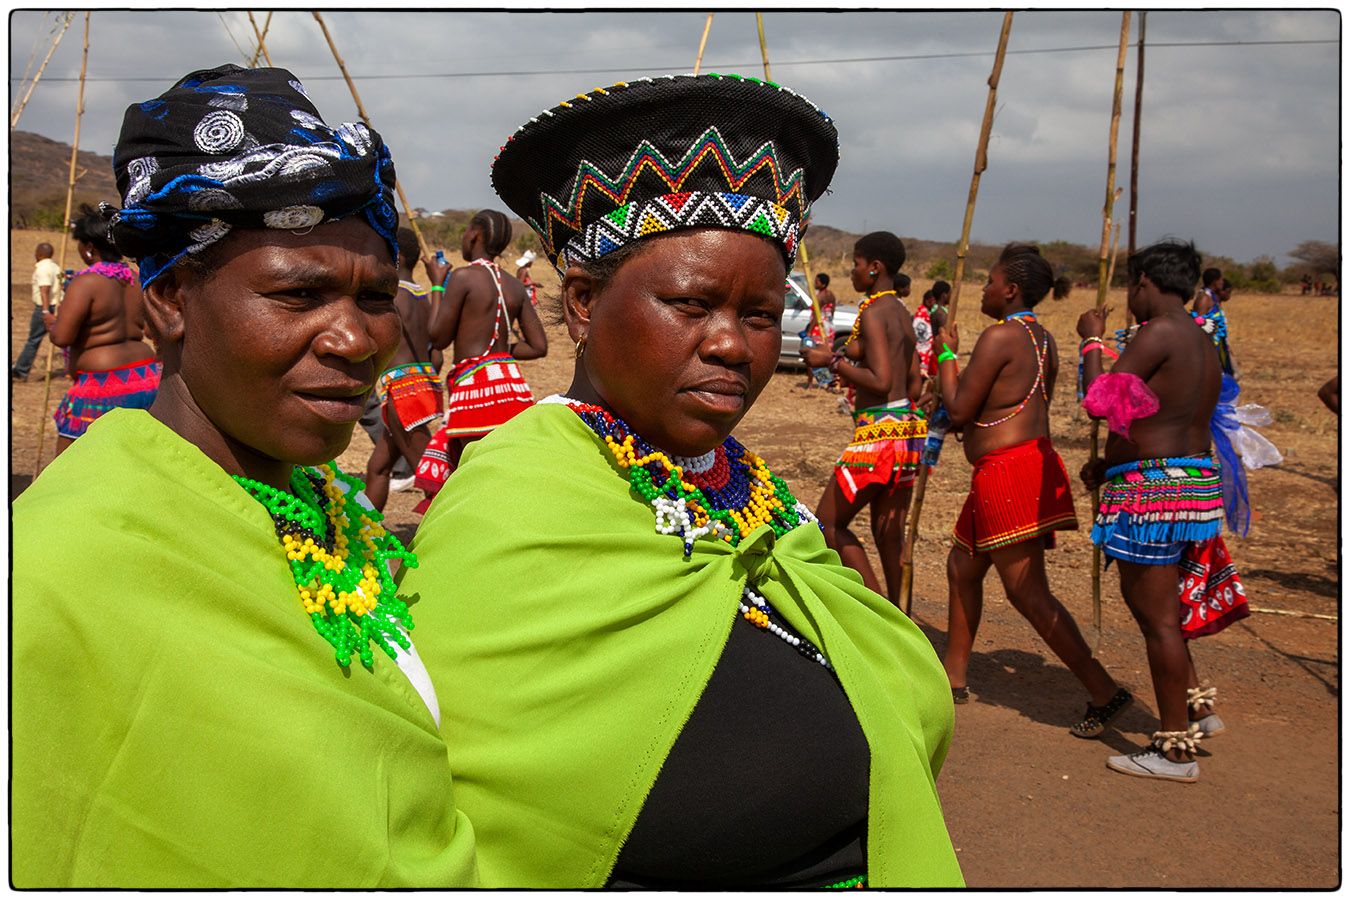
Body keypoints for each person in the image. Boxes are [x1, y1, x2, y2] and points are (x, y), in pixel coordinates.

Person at [401, 73, 961, 888]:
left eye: (761, 315)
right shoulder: (518, 498)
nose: (734, 345)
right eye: (692, 304)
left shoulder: (754, 489)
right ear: (585, 303)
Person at [11, 64, 477, 887]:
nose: (356, 339)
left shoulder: (325, 505)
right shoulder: (59, 573)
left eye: (374, 296)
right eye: (299, 296)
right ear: (170, 301)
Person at [932, 243, 1128, 734]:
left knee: (1027, 592)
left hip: (1007, 474)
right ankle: (953, 678)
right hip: (1021, 467)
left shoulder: (1001, 337)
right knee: (961, 566)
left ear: (1011, 289)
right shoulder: (1043, 339)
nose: (984, 287)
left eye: (990, 280)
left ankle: (1104, 691)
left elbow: (958, 410)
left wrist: (947, 355)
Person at [1078, 238, 1246, 784]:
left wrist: (1091, 342)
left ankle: (1175, 750)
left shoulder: (1160, 332)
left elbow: (1102, 399)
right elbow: (1153, 415)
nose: (1131, 296)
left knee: (1157, 619)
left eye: (1133, 286)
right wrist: (1107, 466)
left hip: (1154, 495)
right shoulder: (1201, 339)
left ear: (1147, 282)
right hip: (1190, 484)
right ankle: (1197, 707)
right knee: (1165, 613)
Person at [802, 231, 926, 608]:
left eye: (855, 264)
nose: (851, 272)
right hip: (906, 432)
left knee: (827, 523)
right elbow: (915, 382)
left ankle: (879, 612)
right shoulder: (901, 313)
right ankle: (904, 619)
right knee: (889, 536)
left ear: (874, 268)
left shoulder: (873, 312)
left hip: (880, 436)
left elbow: (882, 379)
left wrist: (832, 362)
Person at [414, 209, 547, 510]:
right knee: (504, 478)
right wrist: (498, 355)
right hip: (512, 390)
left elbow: (437, 336)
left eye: (465, 233)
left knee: (470, 482)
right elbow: (538, 346)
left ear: (474, 234)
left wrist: (437, 283)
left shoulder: (463, 278)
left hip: (476, 393)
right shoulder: (514, 285)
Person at [46, 204, 161, 454]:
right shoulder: (135, 279)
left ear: (89, 248)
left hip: (102, 385)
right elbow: (152, 331)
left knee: (68, 468)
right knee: (130, 456)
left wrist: (50, 322)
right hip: (147, 377)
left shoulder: (86, 282)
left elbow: (63, 336)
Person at [364, 227, 444, 510]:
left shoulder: (393, 297)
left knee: (434, 482)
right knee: (378, 467)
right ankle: (365, 536)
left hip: (403, 395)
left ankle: (447, 544)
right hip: (418, 389)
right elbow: (437, 358)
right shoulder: (424, 300)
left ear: (395, 256)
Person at [12, 242, 66, 381]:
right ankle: (73, 368)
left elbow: (44, 290)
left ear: (39, 254)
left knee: (33, 340)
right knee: (64, 339)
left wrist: (45, 311)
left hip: (46, 308)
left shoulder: (43, 268)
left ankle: (20, 371)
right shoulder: (56, 267)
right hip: (59, 306)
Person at [802, 271, 837, 388]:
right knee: (826, 355)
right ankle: (827, 382)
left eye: (816, 282)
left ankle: (811, 382)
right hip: (829, 327)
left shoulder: (820, 297)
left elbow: (817, 316)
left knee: (812, 355)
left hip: (818, 328)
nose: (814, 283)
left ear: (823, 284)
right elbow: (831, 312)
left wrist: (809, 331)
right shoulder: (831, 295)